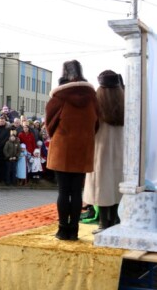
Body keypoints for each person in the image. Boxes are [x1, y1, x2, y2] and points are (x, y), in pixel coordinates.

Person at [45, 60, 99, 241]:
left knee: (63, 191)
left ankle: (62, 230)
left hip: (62, 149)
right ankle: (74, 230)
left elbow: (49, 125)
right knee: (76, 192)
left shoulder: (59, 97)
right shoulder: (92, 97)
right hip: (82, 150)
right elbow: (96, 124)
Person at [83, 70, 124, 234]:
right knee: (116, 187)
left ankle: (103, 224)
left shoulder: (96, 105)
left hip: (101, 151)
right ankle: (113, 222)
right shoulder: (124, 104)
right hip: (120, 152)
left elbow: (89, 129)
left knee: (101, 187)